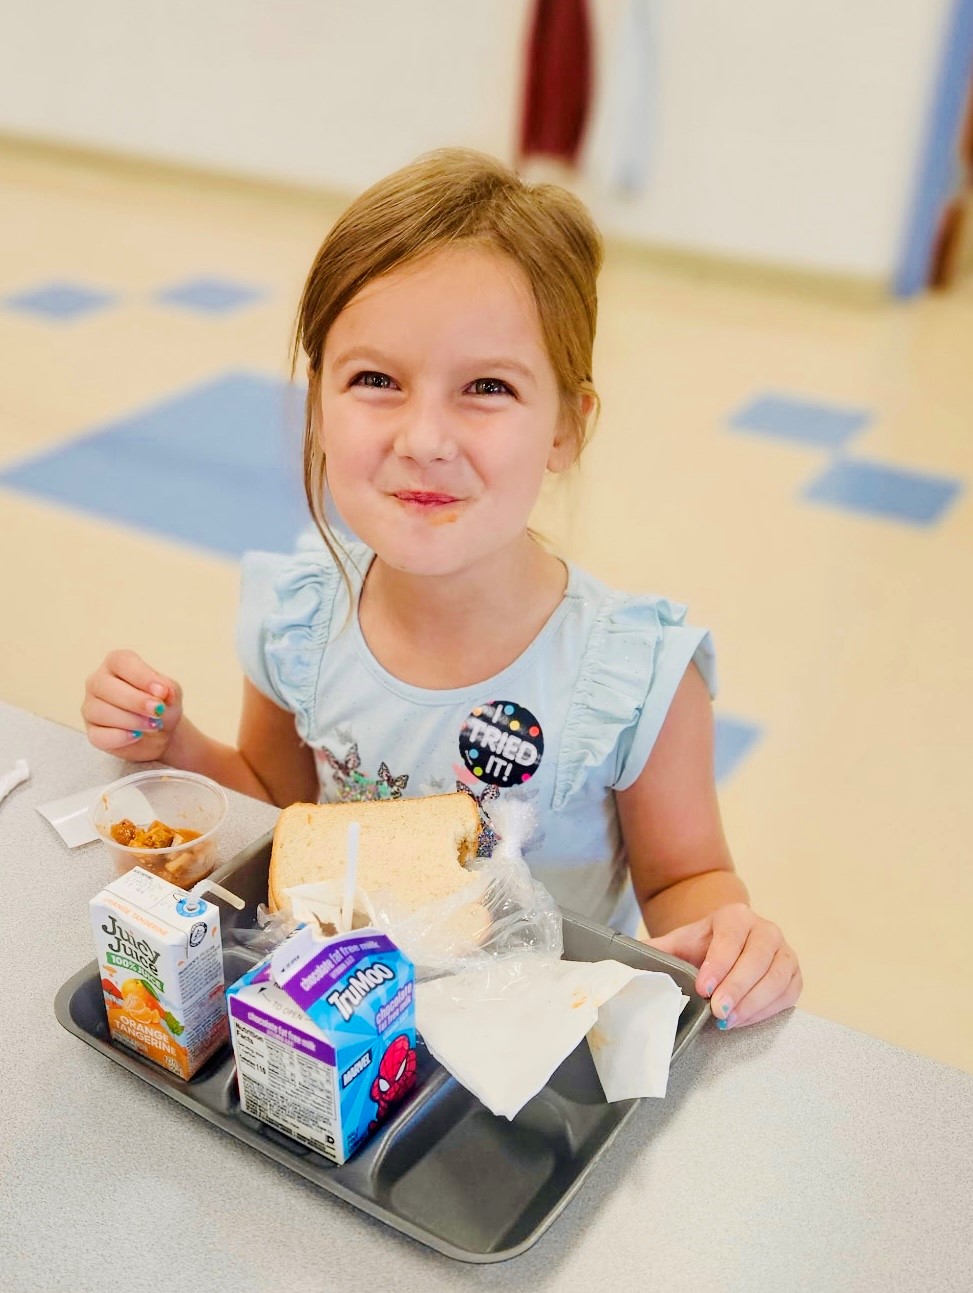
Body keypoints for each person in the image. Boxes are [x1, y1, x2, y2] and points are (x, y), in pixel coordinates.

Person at [82, 148, 801, 1030]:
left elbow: (687, 879)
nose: (424, 438)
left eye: (486, 387)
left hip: (538, 1050)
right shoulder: (301, 619)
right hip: (341, 1027)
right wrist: (174, 743)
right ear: (318, 406)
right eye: (375, 380)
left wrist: (732, 939)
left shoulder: (634, 676)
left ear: (565, 430)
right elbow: (274, 801)